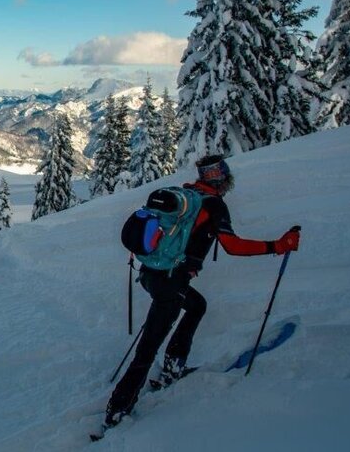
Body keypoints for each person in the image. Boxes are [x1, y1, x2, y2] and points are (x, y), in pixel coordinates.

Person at [98, 154, 300, 435]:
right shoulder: (213, 205)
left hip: (150, 275)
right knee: (147, 348)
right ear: (221, 178)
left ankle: (172, 366)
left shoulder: (186, 195)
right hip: (169, 283)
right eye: (224, 172)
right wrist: (277, 246)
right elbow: (233, 246)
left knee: (196, 306)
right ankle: (116, 412)